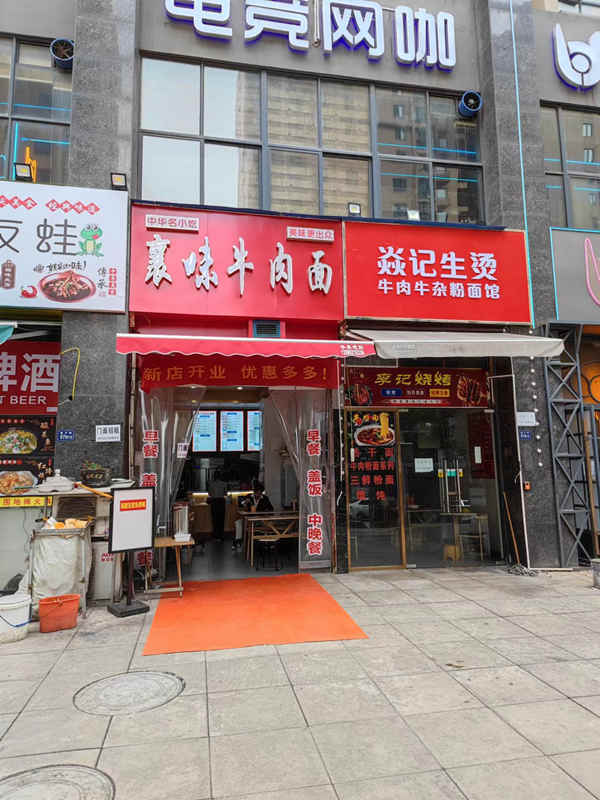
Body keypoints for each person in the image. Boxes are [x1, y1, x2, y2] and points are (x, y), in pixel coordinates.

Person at [208, 470, 227, 542]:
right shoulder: (224, 483)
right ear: (220, 476)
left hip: (214, 501)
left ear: (214, 476)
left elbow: (210, 494)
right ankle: (221, 536)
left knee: (214, 519)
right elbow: (225, 493)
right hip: (221, 501)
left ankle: (215, 536)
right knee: (221, 519)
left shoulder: (211, 484)